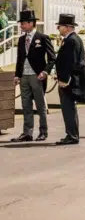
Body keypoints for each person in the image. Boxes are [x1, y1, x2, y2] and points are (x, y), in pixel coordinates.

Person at [11, 9, 55, 142]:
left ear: (31, 23)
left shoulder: (43, 38)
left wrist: (45, 71)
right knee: (26, 105)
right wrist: (17, 75)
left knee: (40, 106)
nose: (21, 26)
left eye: (23, 23)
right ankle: (27, 133)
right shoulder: (21, 39)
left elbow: (52, 58)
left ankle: (43, 132)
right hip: (24, 76)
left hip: (37, 76)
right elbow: (19, 58)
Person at [54, 14, 85, 146]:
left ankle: (72, 135)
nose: (58, 28)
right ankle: (72, 134)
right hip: (70, 79)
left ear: (67, 27)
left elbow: (69, 62)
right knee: (69, 108)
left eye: (60, 26)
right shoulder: (72, 39)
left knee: (68, 108)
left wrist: (64, 79)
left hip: (69, 81)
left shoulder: (71, 41)